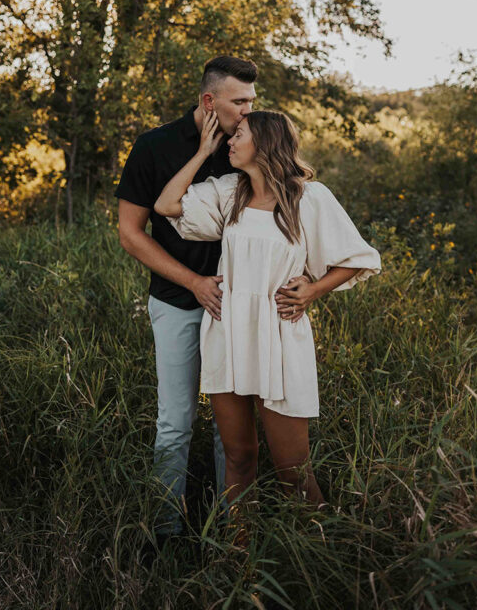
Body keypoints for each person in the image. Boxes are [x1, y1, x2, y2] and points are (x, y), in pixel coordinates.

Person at [154, 108, 382, 536]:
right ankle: (239, 559)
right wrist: (203, 150)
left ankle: (319, 553)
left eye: (238, 134)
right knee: (239, 457)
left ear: (265, 142)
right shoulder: (229, 192)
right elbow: (167, 204)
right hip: (228, 332)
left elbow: (358, 258)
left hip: (279, 333)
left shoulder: (309, 197)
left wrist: (313, 290)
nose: (230, 141)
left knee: (293, 470)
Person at [115, 56, 258, 551]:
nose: (248, 110)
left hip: (237, 310)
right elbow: (131, 235)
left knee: (230, 429)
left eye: (251, 101)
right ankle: (164, 532)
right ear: (208, 100)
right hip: (177, 301)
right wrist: (194, 282)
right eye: (239, 101)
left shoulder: (249, 145)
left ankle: (230, 531)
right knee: (175, 421)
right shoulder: (154, 146)